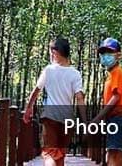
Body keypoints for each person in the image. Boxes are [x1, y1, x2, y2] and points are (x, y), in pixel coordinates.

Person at [23, 36, 86, 166]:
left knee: (50, 153)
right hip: (67, 120)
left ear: (55, 53)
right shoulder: (75, 73)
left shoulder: (49, 70)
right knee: (60, 155)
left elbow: (36, 91)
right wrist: (85, 122)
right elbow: (80, 97)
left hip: (50, 116)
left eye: (51, 52)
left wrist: (28, 108)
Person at [91, 37, 122, 166]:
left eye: (109, 53)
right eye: (103, 53)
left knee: (114, 152)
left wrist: (98, 117)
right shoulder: (111, 74)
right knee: (112, 152)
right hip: (112, 118)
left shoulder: (118, 72)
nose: (105, 56)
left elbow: (116, 97)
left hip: (118, 117)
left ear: (118, 55)